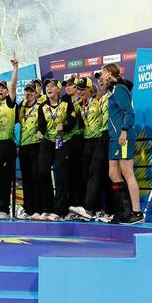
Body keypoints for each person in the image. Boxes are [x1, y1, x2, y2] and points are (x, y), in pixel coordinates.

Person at [100, 63, 144, 224]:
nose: (101, 76)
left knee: (127, 172)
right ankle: (124, 211)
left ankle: (137, 212)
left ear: (110, 73)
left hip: (122, 136)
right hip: (114, 138)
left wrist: (124, 130)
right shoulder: (113, 90)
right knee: (113, 173)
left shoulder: (119, 89)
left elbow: (129, 111)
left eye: (103, 73)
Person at [35, 78, 77, 220]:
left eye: (52, 85)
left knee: (60, 175)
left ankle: (59, 211)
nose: (49, 88)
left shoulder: (66, 103)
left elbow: (73, 121)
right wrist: (40, 131)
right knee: (42, 172)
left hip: (62, 141)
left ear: (58, 89)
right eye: (47, 86)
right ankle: (46, 208)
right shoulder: (42, 106)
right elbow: (41, 123)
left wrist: (64, 127)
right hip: (48, 141)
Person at [69, 77, 110, 221]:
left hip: (100, 139)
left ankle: (96, 208)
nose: (79, 91)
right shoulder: (79, 105)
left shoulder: (98, 100)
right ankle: (95, 209)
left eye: (81, 89)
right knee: (87, 174)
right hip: (87, 141)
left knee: (97, 174)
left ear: (89, 89)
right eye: (78, 89)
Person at [0, 59, 19, 219]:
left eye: (2, 88)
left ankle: (4, 209)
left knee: (4, 178)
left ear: (7, 92)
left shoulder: (10, 103)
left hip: (6, 145)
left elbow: (13, 85)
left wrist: (15, 68)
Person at [16, 81, 41, 219]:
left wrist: (41, 131)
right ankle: (28, 208)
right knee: (26, 179)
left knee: (36, 178)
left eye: (31, 91)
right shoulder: (22, 107)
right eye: (27, 91)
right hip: (24, 147)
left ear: (36, 93)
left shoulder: (40, 106)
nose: (29, 93)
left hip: (36, 146)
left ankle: (38, 208)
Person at [62, 78, 86, 214]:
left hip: (80, 139)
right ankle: (73, 205)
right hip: (68, 141)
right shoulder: (65, 102)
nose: (67, 87)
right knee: (70, 173)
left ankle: (83, 205)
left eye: (70, 85)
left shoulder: (82, 101)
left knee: (80, 173)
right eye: (66, 85)